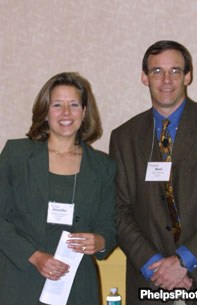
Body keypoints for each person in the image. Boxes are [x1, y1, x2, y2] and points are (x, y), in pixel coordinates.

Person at [109, 40, 197, 305]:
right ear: (144, 78)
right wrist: (154, 264)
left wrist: (183, 261)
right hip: (148, 281)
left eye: (175, 71)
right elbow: (117, 209)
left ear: (188, 76)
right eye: (157, 71)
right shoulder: (123, 137)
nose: (166, 80)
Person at [0, 72, 116, 305]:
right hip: (20, 282)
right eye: (57, 105)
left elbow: (110, 225)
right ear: (45, 112)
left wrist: (100, 241)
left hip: (76, 286)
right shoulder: (16, 156)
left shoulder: (103, 166)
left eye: (73, 105)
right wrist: (34, 256)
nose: (65, 113)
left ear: (84, 113)